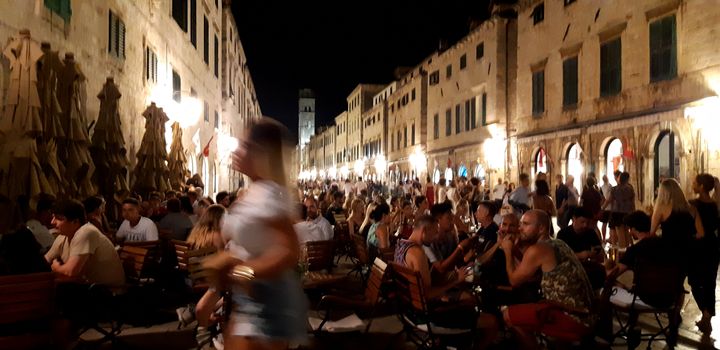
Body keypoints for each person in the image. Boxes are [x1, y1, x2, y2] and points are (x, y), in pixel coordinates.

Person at [203, 118, 307, 349]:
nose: (237, 149)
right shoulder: (254, 192)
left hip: (270, 302)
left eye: (245, 145)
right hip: (251, 299)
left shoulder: (271, 194)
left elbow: (289, 252)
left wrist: (241, 271)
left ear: (262, 154)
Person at [394, 215, 498, 348]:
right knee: (492, 321)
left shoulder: (401, 245)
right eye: (434, 232)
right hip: (425, 316)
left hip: (408, 309)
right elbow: (428, 294)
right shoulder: (417, 252)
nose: (436, 236)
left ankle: (450, 341)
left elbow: (423, 286)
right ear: (424, 231)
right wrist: (456, 280)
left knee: (466, 301)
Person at [501, 210, 594, 348]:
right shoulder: (557, 243)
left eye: (525, 224)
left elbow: (514, 281)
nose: (520, 228)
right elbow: (531, 272)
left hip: (574, 318)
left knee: (507, 314)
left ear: (541, 228)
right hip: (586, 314)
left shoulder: (538, 249)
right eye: (520, 224)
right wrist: (514, 249)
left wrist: (507, 251)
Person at [45, 199, 125, 287]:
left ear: (75, 221)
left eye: (59, 218)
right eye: (53, 217)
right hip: (88, 290)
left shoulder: (86, 232)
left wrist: (56, 268)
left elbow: (71, 271)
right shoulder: (63, 236)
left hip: (109, 293)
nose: (52, 222)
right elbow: (45, 262)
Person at [689, 174, 720, 333]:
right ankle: (706, 316)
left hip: (698, 247)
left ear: (701, 186)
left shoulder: (693, 204)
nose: (692, 184)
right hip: (713, 247)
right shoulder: (715, 204)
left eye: (695, 182)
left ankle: (706, 314)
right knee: (710, 282)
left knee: (694, 281)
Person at [603, 171, 634, 248]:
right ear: (627, 179)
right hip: (627, 212)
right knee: (626, 232)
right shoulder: (630, 189)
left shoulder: (615, 189)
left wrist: (602, 208)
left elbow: (609, 200)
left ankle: (623, 252)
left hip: (617, 213)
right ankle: (628, 250)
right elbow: (632, 202)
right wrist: (633, 212)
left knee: (620, 234)